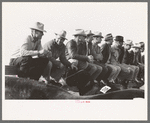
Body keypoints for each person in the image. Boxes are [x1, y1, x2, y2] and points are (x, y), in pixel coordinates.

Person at [65, 29, 104, 95]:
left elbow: (82, 54)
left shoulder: (82, 43)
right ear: (79, 37)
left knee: (94, 68)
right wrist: (87, 58)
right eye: (84, 36)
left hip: (79, 60)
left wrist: (88, 58)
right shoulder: (71, 43)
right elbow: (72, 55)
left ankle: (87, 83)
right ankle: (69, 84)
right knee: (74, 62)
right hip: (69, 60)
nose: (85, 38)